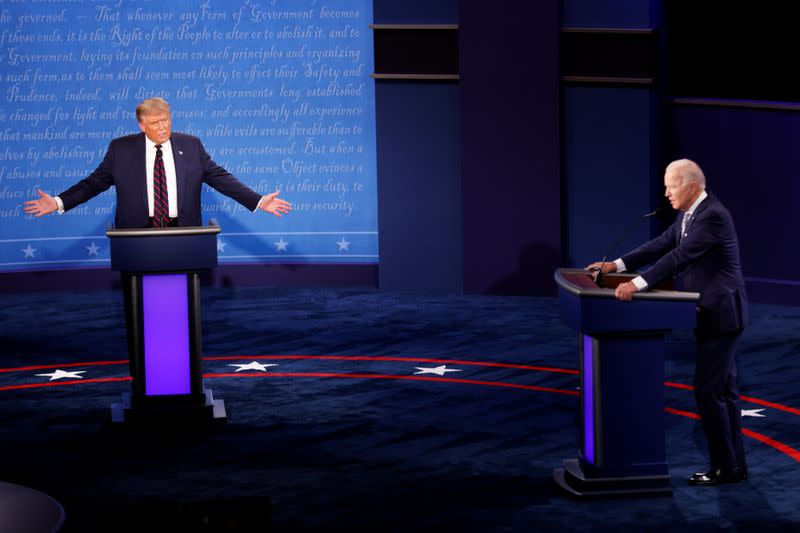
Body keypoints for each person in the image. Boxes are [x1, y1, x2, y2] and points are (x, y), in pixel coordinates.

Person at [587, 159, 749, 486]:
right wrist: (615, 266)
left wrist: (636, 285)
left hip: (722, 315)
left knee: (707, 392)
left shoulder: (713, 216)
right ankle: (733, 466)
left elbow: (679, 257)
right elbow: (661, 245)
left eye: (670, 186)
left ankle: (724, 467)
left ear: (691, 186)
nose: (666, 193)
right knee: (724, 392)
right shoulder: (690, 215)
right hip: (710, 314)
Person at [23, 97, 291, 225]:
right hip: (138, 235)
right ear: (141, 125)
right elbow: (92, 184)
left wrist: (257, 200)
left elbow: (221, 178)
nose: (162, 128)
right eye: (155, 123)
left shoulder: (191, 145)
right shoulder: (121, 150)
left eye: (166, 121)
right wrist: (58, 202)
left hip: (183, 232)